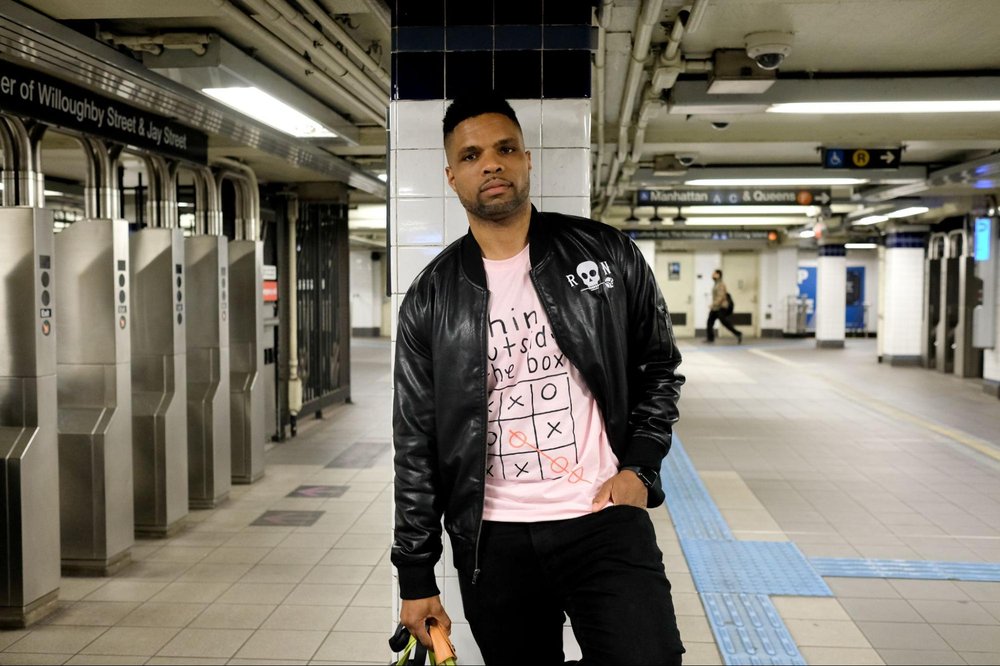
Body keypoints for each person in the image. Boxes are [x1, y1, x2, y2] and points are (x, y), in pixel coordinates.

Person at [392, 93, 686, 666]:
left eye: (505, 149)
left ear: (526, 159)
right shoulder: (431, 297)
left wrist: (640, 469)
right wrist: (415, 573)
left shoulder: (605, 253)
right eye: (472, 154)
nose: (492, 164)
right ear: (452, 176)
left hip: (602, 518)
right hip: (493, 541)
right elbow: (415, 444)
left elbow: (658, 367)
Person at [705, 269, 741, 344]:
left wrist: (713, 304)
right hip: (715, 308)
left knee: (725, 323)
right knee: (709, 322)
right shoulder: (716, 283)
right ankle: (710, 338)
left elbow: (721, 297)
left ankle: (738, 333)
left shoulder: (721, 284)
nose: (712, 275)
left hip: (721, 307)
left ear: (718, 275)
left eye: (714, 274)